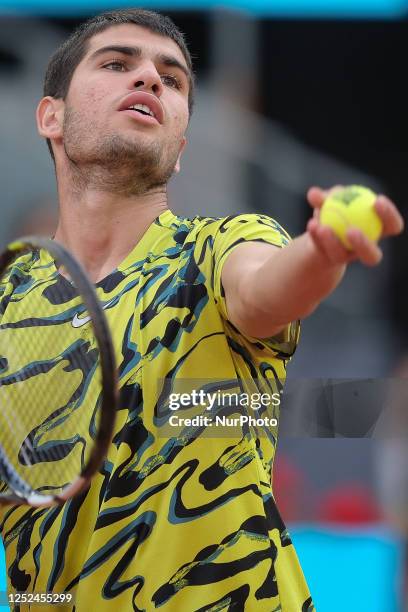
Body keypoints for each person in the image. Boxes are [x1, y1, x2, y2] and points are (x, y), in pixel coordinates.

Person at [0, 9, 403, 612]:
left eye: (173, 78)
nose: (149, 80)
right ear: (50, 116)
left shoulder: (218, 249)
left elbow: (266, 285)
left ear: (181, 145)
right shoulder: (9, 302)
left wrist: (319, 252)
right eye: (116, 64)